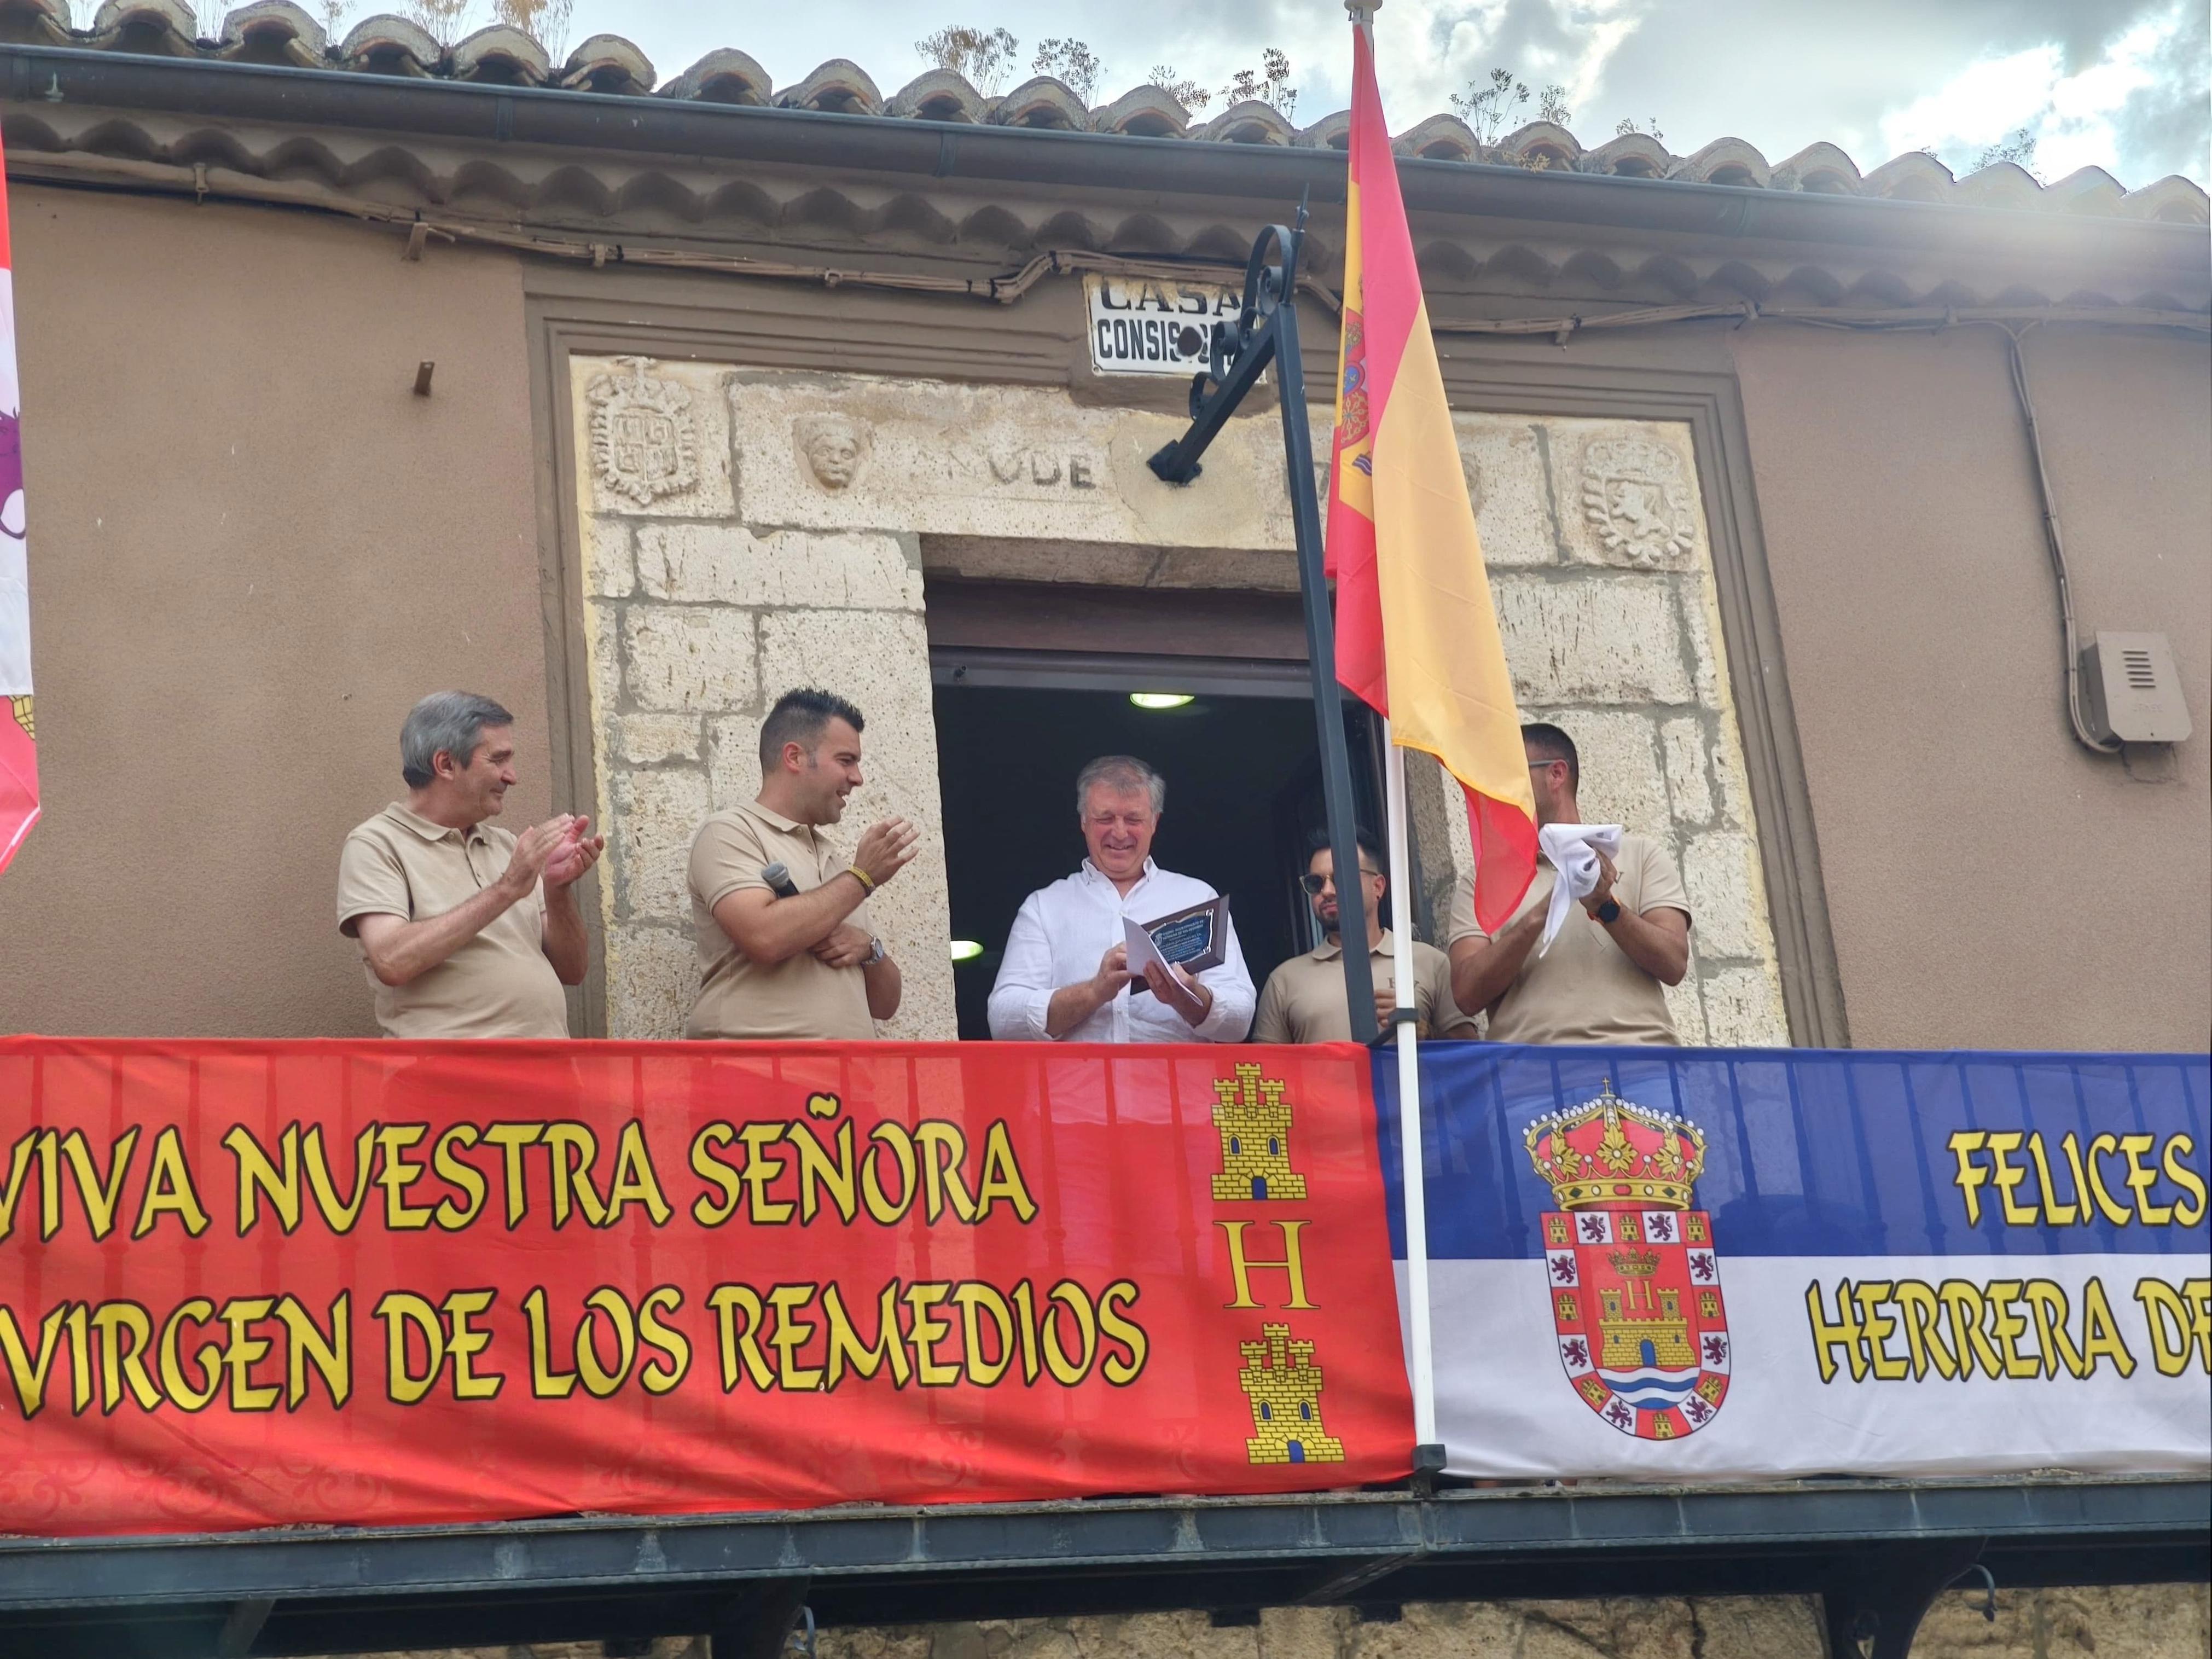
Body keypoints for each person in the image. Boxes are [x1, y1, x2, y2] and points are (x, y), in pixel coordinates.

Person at [336, 692, 602, 1039]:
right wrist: (506, 890)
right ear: (446, 764)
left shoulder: (508, 846)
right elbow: (392, 960)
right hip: (450, 1083)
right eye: (499, 759)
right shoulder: (376, 844)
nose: (512, 776)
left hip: (546, 1075)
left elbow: (573, 970)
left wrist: (557, 890)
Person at [685, 688, 916, 1040]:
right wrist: (863, 878)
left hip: (844, 1083)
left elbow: (885, 1005)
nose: (858, 778)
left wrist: (870, 949)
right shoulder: (729, 831)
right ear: (794, 757)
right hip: (755, 1078)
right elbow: (764, 937)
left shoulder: (836, 861)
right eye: (845, 760)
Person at [1447, 722, 1692, 1045]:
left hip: (1641, 1066)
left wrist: (1607, 907)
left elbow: (1674, 964)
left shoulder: (1642, 855)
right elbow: (1466, 994)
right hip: (1533, 1074)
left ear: (1557, 775)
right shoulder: (1481, 881)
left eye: (1511, 773)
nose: (1497, 788)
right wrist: (1543, 913)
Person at [989, 755, 1254, 1043]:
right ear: (1084, 822)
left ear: (1155, 822)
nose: (1119, 832)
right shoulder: (1044, 906)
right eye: (1105, 818)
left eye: (1133, 819)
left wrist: (1187, 997)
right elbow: (1004, 1020)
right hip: (1076, 1088)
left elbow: (1239, 1021)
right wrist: (1094, 992)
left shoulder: (1197, 898)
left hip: (1174, 1086)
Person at [1253, 828, 1477, 1045]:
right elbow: (1266, 1072)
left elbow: (1470, 1058)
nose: (1328, 891)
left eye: (1342, 877)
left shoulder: (1428, 962)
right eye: (1316, 883)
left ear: (1378, 886)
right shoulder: (1284, 981)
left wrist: (1422, 1030)